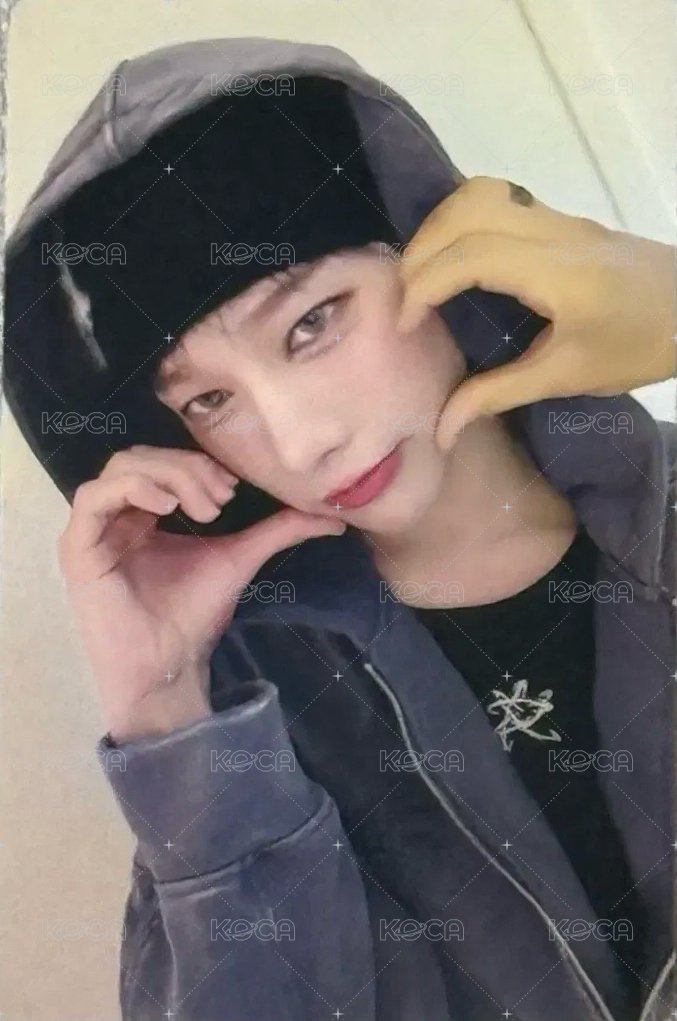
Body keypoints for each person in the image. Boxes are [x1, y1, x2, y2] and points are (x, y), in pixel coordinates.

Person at [4, 37, 676, 1021]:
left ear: (430, 247)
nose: (300, 441)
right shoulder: (252, 702)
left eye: (312, 322)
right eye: (210, 401)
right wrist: (163, 713)